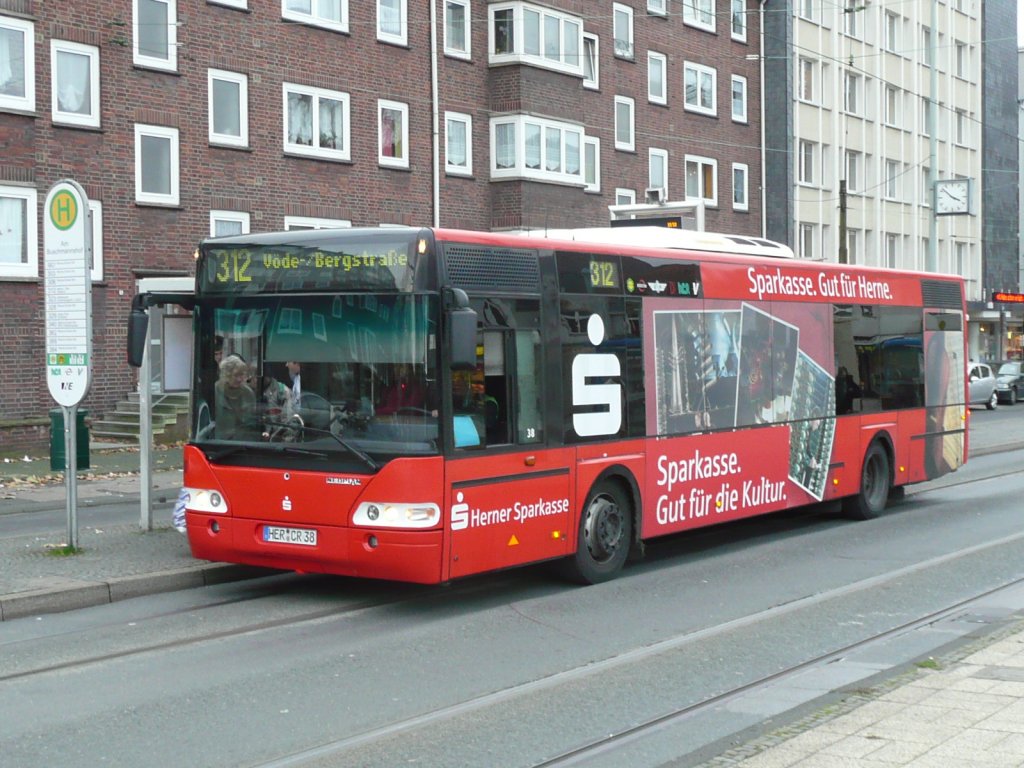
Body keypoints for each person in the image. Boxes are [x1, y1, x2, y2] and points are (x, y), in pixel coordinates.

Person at [214, 355, 258, 440]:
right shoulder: (215, 392)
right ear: (226, 374)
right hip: (219, 444)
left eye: (242, 375)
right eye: (236, 375)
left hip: (243, 445)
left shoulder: (248, 394)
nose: (239, 379)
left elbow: (252, 423)